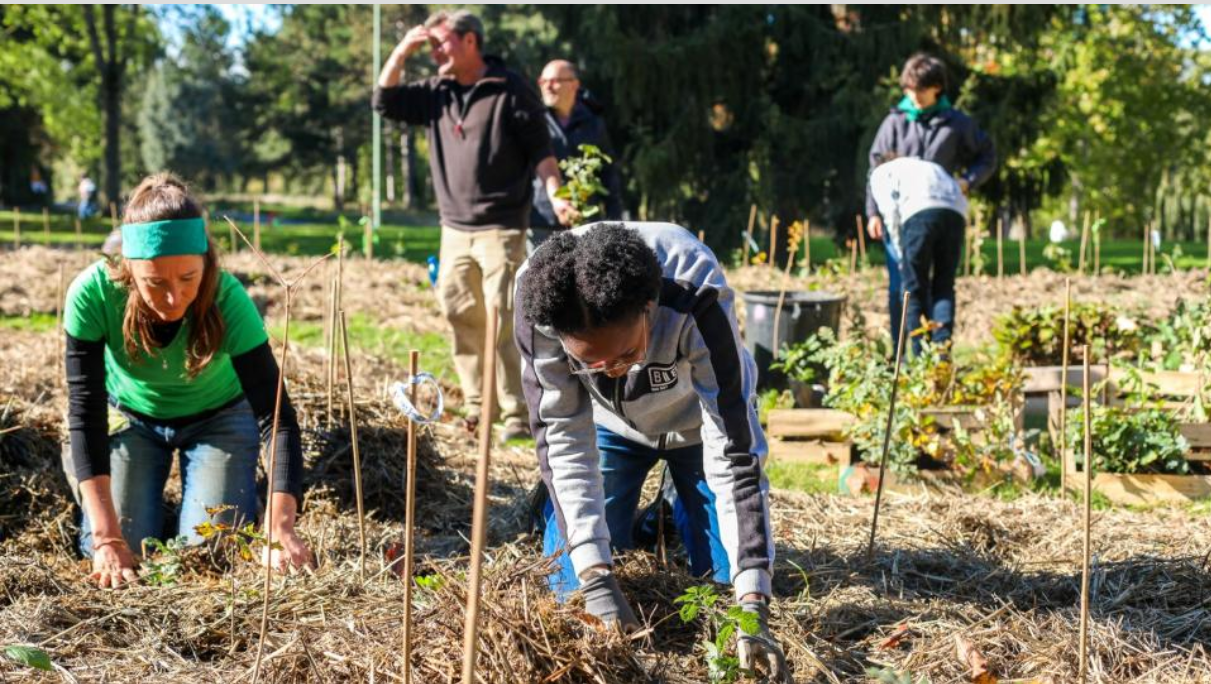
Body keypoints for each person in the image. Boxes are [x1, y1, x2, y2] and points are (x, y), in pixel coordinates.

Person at [515, 223, 790, 681]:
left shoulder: (694, 289)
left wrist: (753, 600)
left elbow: (736, 450)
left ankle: (670, 506)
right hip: (610, 429)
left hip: (696, 428)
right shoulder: (542, 304)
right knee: (569, 592)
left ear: (648, 308)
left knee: (719, 587)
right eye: (590, 363)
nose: (611, 373)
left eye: (622, 356)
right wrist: (596, 578)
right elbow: (561, 433)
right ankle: (647, 515)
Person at [62, 173, 313, 588]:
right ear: (128, 270)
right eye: (154, 283)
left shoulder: (229, 299)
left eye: (188, 279)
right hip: (132, 417)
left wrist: (279, 526)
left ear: (206, 265)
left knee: (209, 554)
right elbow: (85, 413)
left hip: (219, 420)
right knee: (117, 551)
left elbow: (278, 419)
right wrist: (107, 536)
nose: (173, 298)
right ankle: (87, 479)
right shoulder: (91, 293)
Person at [373, 9, 575, 443]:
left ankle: (516, 412)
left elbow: (541, 150)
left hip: (502, 227)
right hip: (453, 229)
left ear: (470, 41)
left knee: (503, 316)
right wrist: (404, 48)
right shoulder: (437, 92)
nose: (434, 52)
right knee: (459, 312)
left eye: (440, 43)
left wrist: (557, 194)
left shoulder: (510, 89)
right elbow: (383, 100)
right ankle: (478, 408)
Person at [865, 52, 995, 345]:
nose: (913, 96)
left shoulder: (956, 123)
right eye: (908, 89)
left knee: (940, 284)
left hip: (939, 209)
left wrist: (967, 181)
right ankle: (904, 352)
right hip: (899, 214)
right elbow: (875, 169)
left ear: (937, 87)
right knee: (903, 286)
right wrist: (873, 211)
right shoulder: (895, 123)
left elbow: (987, 155)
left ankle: (935, 354)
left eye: (920, 89)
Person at [868, 153, 968, 353]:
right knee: (944, 286)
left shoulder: (880, 173)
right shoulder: (926, 166)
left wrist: (900, 254)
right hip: (956, 212)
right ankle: (942, 352)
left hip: (920, 212)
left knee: (913, 288)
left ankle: (921, 354)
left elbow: (890, 215)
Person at [527, 59, 623, 254]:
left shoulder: (593, 122)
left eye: (554, 81)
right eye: (543, 81)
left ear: (574, 84)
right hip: (542, 222)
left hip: (586, 220)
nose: (548, 86)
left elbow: (608, 171)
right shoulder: (534, 120)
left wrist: (614, 217)